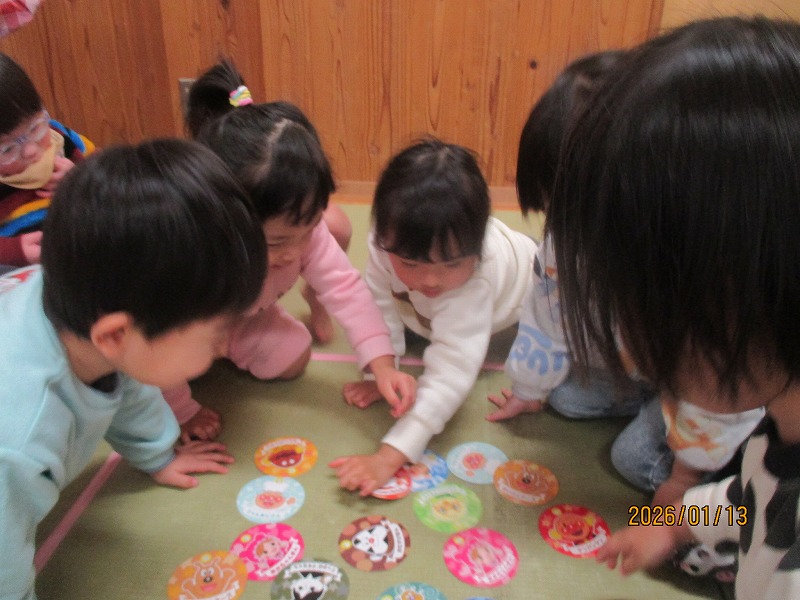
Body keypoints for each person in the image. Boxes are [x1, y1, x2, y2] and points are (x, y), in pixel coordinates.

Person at [542, 16, 800, 599]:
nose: (626, 331)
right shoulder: (779, 424)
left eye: (632, 294)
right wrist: (669, 526)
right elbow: (745, 495)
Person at [0, 138, 267, 600]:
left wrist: (158, 454)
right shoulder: (18, 437)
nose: (226, 347)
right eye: (214, 334)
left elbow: (128, 382)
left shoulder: (95, 315)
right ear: (116, 335)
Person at [166, 59, 416, 442]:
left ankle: (222, 350)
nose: (295, 252)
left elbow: (347, 289)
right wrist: (184, 410)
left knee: (294, 358)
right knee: (163, 365)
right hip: (184, 330)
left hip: (243, 320)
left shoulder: (305, 237)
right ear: (221, 220)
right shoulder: (192, 258)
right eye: (276, 242)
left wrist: (381, 365)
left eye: (309, 227)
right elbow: (155, 339)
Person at [330, 138, 537, 495]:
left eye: (452, 264)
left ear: (476, 248)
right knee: (406, 304)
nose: (429, 280)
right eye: (410, 264)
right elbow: (377, 304)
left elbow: (450, 375)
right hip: (424, 315)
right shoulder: (388, 242)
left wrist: (390, 455)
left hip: (522, 297)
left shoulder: (475, 281)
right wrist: (381, 369)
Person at [0, 52, 93, 273]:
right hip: (22, 271)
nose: (31, 150)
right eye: (8, 149)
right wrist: (14, 251)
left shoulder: (61, 139)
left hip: (85, 249)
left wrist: (80, 176)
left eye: (35, 128)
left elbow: (109, 175)